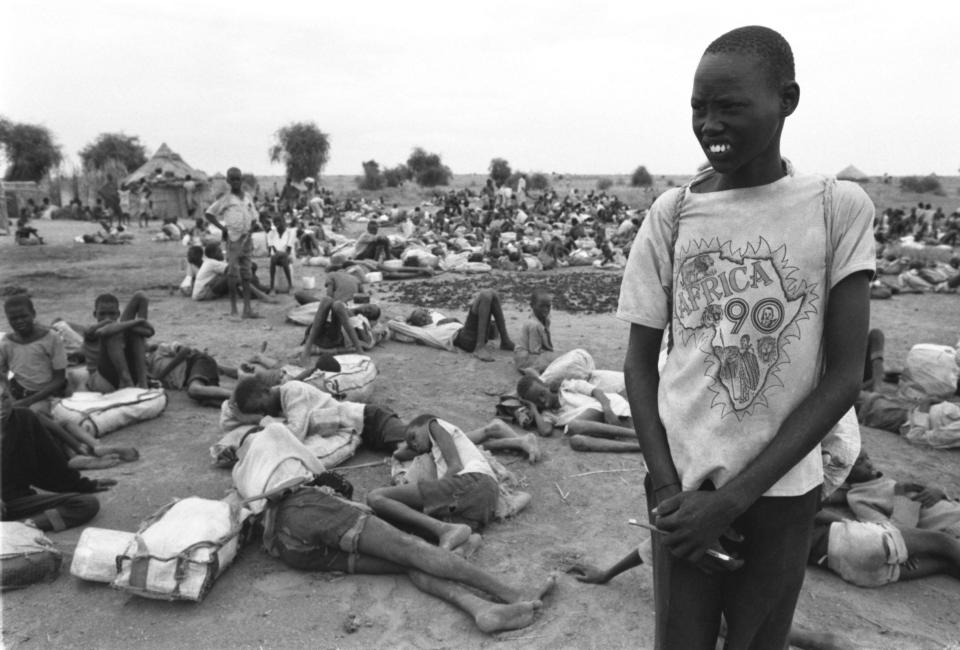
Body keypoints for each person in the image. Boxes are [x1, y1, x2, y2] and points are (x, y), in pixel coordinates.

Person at [617, 26, 876, 649]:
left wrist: (732, 502)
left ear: (786, 99)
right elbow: (639, 366)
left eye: (730, 106)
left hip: (781, 493)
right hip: (680, 490)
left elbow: (845, 375)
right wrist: (670, 494)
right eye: (699, 108)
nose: (710, 124)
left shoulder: (836, 207)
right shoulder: (674, 213)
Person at [567, 542, 856, 650]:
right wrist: (605, 574)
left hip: (747, 574)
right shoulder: (684, 529)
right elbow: (650, 548)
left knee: (752, 626)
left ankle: (819, 641)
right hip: (719, 587)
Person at [366, 415, 503, 549]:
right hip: (486, 498)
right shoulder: (434, 449)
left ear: (424, 424)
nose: (413, 444)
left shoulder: (434, 424)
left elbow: (455, 466)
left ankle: (445, 530)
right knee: (396, 516)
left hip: (472, 480)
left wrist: (434, 494)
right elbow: (400, 454)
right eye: (411, 445)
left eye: (413, 437)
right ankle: (470, 539)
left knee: (376, 497)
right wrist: (403, 451)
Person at [1, 388, 116, 532]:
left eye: (4, 398)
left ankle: (19, 527)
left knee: (86, 504)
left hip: (17, 502)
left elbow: (52, 465)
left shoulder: (25, 419)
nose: (1, 406)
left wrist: (83, 485)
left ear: (12, 397)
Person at [516, 374, 638, 452]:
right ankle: (639, 447)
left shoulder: (567, 387)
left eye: (542, 394)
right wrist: (534, 410)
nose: (543, 401)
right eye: (537, 401)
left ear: (546, 386)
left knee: (573, 426)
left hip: (612, 408)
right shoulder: (547, 414)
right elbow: (545, 431)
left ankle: (636, 435)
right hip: (598, 425)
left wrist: (608, 410)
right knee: (576, 441)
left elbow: (597, 392)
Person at [402, 289, 516, 362]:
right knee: (485, 295)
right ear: (417, 325)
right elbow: (394, 324)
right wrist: (409, 319)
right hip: (463, 340)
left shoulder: (437, 318)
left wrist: (453, 320)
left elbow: (428, 310)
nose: (424, 318)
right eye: (420, 319)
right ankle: (480, 347)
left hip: (466, 331)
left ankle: (505, 341)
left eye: (423, 315)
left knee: (493, 294)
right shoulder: (423, 331)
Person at [205, 167, 259, 318]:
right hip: (233, 240)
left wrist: (252, 227)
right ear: (228, 181)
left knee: (247, 274)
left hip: (247, 239)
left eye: (238, 179)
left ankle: (247, 309)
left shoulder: (247, 197)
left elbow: (254, 216)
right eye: (232, 179)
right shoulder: (226, 199)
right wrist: (223, 229)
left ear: (241, 180)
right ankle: (234, 309)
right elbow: (209, 214)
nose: (236, 182)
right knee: (232, 273)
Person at [82, 292, 154, 392]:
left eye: (112, 314)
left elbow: (147, 332)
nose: (107, 318)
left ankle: (143, 382)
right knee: (114, 333)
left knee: (141, 297)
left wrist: (139, 328)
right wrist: (140, 322)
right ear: (95, 314)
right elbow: (108, 328)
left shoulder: (121, 327)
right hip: (103, 379)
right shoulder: (90, 330)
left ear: (118, 314)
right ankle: (127, 382)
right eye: (102, 314)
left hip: (129, 373)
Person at [299, 298, 382, 365]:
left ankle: (359, 350)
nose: (367, 310)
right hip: (318, 332)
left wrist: (355, 319)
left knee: (338, 305)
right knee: (326, 300)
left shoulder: (362, 321)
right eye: (369, 307)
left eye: (370, 313)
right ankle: (307, 349)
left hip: (333, 339)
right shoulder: (350, 307)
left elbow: (367, 340)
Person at [514, 289, 557, 373]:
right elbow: (534, 351)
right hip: (525, 357)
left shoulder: (546, 320)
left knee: (555, 359)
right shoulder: (534, 325)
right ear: (532, 306)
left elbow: (547, 343)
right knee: (552, 363)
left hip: (534, 353)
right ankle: (530, 370)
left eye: (548, 306)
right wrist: (549, 356)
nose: (545, 310)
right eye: (541, 306)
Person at [266, 216, 296, 293]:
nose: (278, 224)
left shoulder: (290, 232)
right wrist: (277, 254)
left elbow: (288, 250)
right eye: (275, 222)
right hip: (276, 256)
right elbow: (272, 248)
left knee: (284, 260)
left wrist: (279, 254)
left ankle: (290, 286)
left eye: (279, 221)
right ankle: (272, 287)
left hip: (288, 255)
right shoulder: (271, 233)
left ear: (284, 222)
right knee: (273, 259)